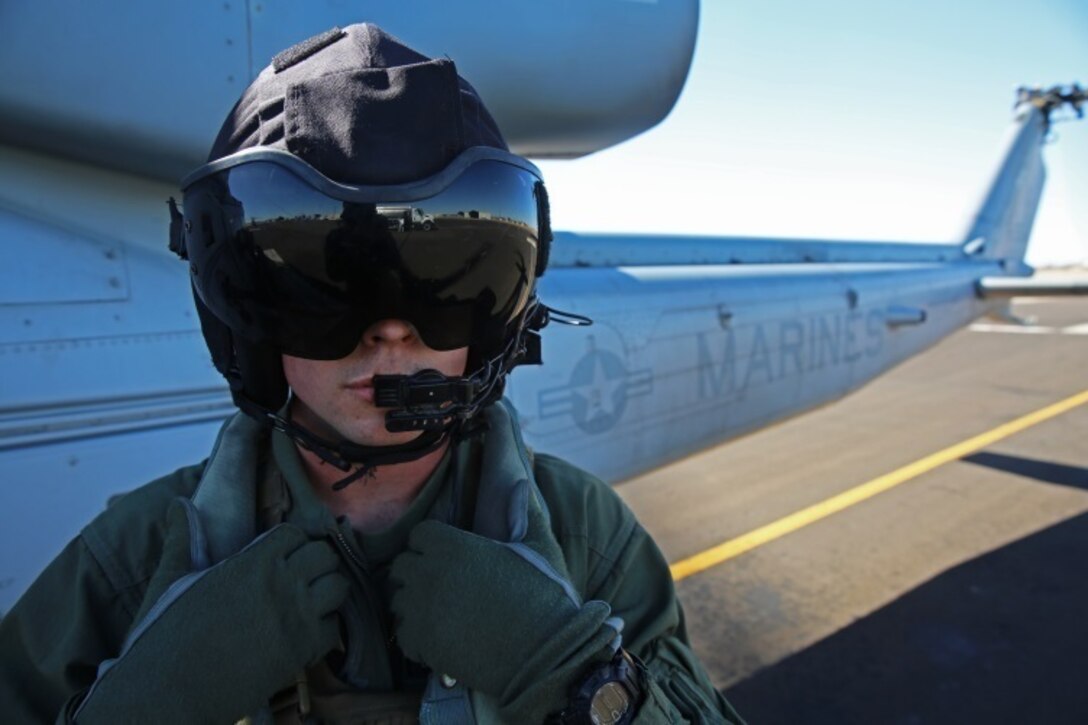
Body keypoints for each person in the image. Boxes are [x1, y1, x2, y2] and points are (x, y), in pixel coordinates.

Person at [0, 24, 745, 724]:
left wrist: (575, 675)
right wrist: (143, 702)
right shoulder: (132, 563)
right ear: (244, 322)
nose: (390, 327)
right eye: (325, 285)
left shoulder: (587, 538)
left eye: (446, 280)